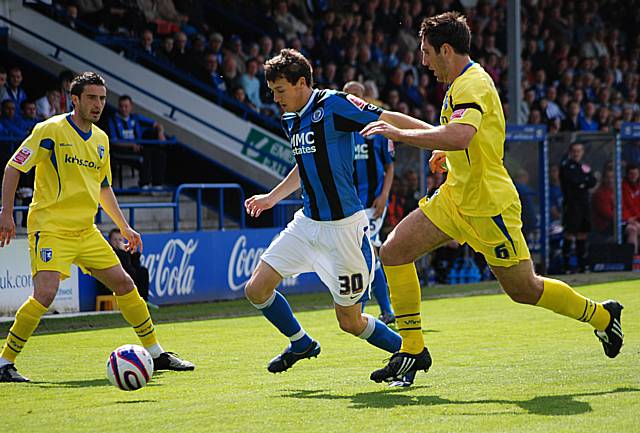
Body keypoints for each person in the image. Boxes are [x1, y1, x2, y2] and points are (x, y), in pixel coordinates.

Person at [358, 12, 623, 384]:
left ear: (446, 49)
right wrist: (380, 116)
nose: (423, 62)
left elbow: (460, 136)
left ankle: (603, 317)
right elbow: (451, 135)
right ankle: (413, 350)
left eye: (427, 53)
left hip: (488, 205)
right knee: (394, 251)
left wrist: (409, 138)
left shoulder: (473, 85)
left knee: (524, 289)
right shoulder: (460, 84)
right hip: (455, 196)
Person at [0, 72, 193, 382]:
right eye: (91, 98)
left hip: (86, 231)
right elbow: (13, 166)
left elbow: (103, 189)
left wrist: (125, 227)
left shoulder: (101, 139)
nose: (98, 104)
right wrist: (6, 212)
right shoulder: (50, 130)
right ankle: (4, 363)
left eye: (102, 99)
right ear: (74, 99)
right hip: (50, 228)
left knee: (125, 284)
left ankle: (156, 354)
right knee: (46, 294)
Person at [243, 49, 408, 386]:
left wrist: (436, 136)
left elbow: (387, 117)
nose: (275, 98)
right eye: (272, 91)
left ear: (302, 83)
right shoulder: (291, 118)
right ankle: (301, 343)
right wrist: (272, 198)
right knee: (256, 289)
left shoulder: (334, 104)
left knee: (350, 322)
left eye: (280, 90)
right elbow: (304, 166)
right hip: (308, 224)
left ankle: (407, 353)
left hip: (344, 230)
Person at [343, 81, 395, 324]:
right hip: (349, 204)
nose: (352, 100)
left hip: (372, 202)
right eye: (348, 95)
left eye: (357, 96)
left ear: (364, 99)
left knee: (370, 251)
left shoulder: (376, 129)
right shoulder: (340, 130)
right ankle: (372, 309)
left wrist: (384, 195)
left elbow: (389, 166)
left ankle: (381, 309)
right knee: (358, 254)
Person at [107, 95, 167, 188]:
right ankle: (144, 184)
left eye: (126, 106)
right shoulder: (113, 120)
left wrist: (160, 132)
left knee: (160, 153)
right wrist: (131, 145)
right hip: (121, 150)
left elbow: (157, 124)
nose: (124, 109)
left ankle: (157, 184)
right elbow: (114, 141)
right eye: (121, 106)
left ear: (131, 106)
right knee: (146, 153)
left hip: (138, 148)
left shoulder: (136, 118)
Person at [559, 142, 597, 272]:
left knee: (582, 233)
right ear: (570, 152)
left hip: (584, 204)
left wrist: (583, 181)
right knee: (570, 233)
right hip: (571, 205)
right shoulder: (566, 166)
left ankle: (582, 265)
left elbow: (592, 181)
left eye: (579, 151)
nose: (576, 153)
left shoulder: (584, 166)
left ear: (582, 152)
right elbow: (573, 181)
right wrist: (583, 181)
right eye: (574, 151)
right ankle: (566, 266)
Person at [103, 228, 155, 308]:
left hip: (128, 280)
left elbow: (135, 268)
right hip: (113, 282)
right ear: (110, 241)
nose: (117, 242)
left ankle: (144, 300)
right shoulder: (108, 253)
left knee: (142, 271)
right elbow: (126, 268)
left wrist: (129, 252)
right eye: (115, 239)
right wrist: (122, 252)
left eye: (120, 239)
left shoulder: (127, 252)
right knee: (127, 274)